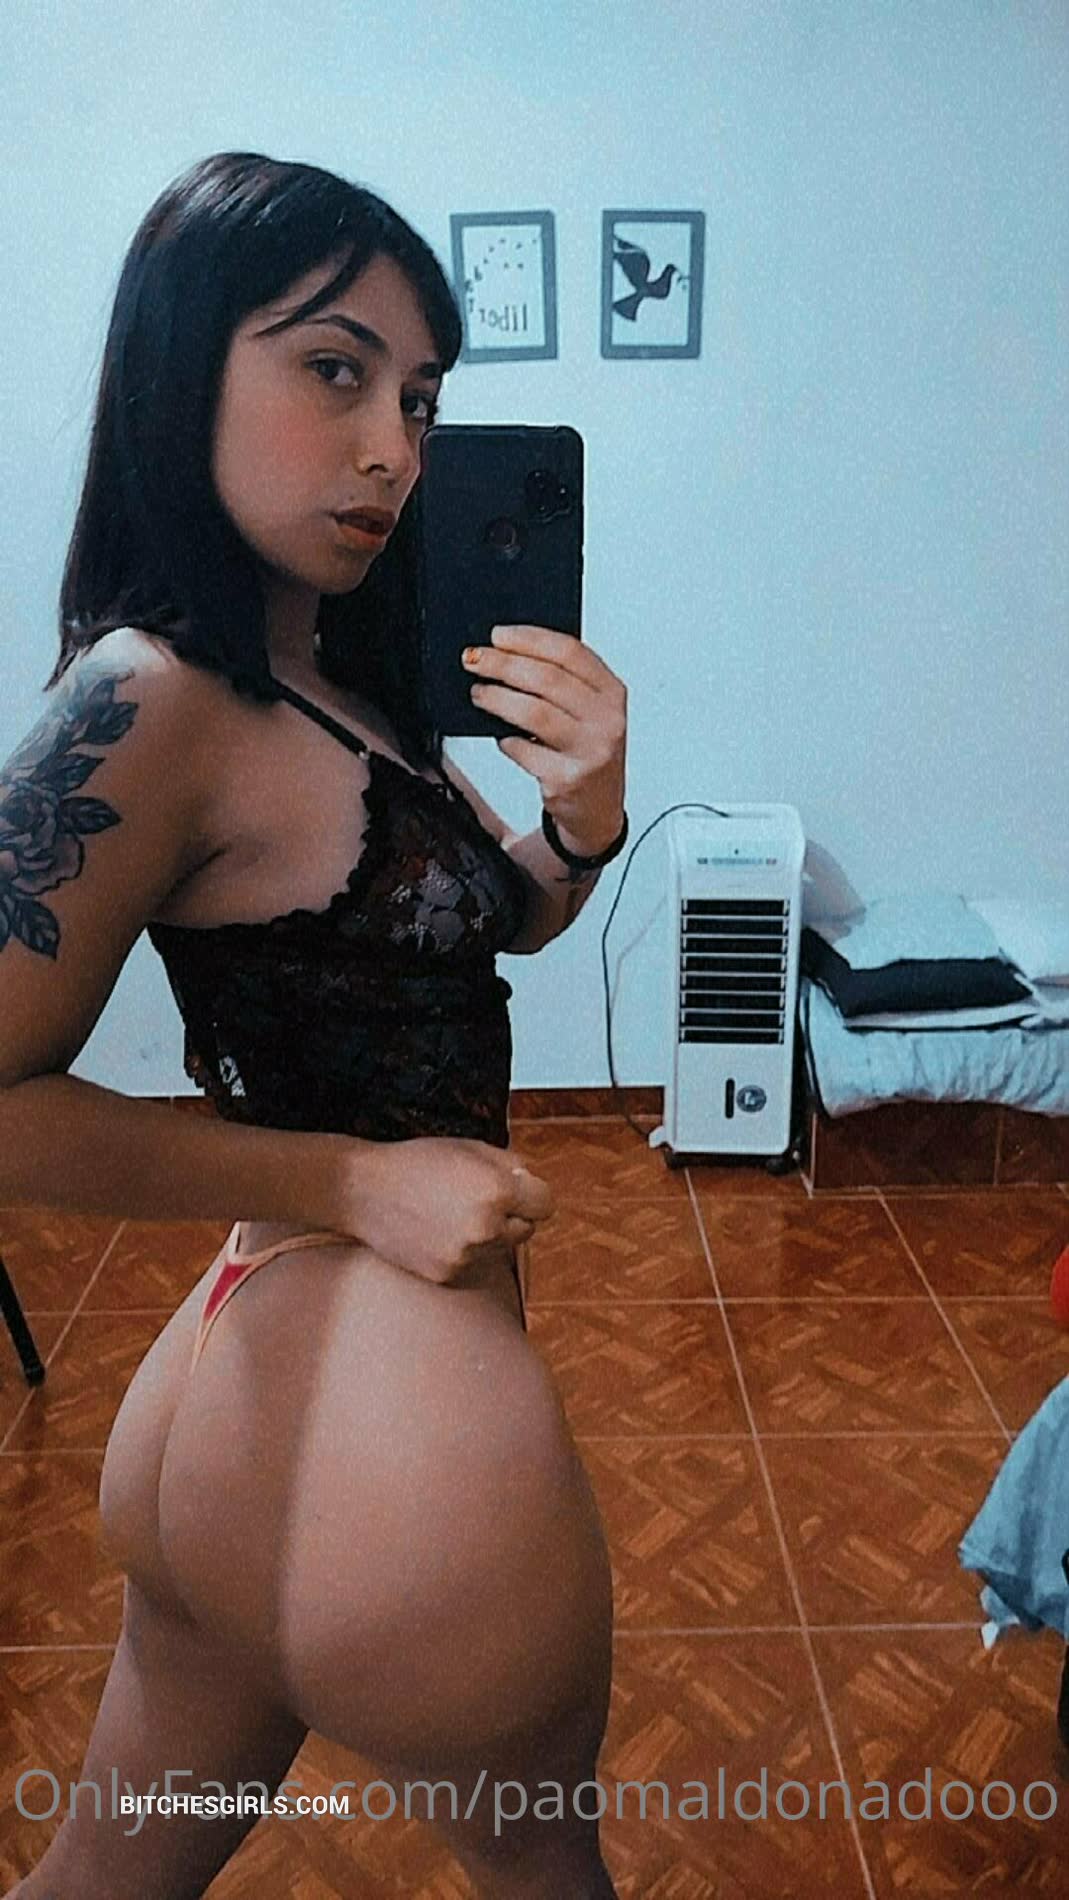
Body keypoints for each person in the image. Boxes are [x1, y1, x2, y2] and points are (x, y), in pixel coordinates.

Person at [0, 151, 629, 1898]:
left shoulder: (337, 683)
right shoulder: (153, 692)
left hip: (242, 1392)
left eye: (418, 398)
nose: (392, 449)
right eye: (334, 370)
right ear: (178, 366)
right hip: (386, 1431)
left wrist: (582, 824)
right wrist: (358, 1183)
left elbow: (475, 923)